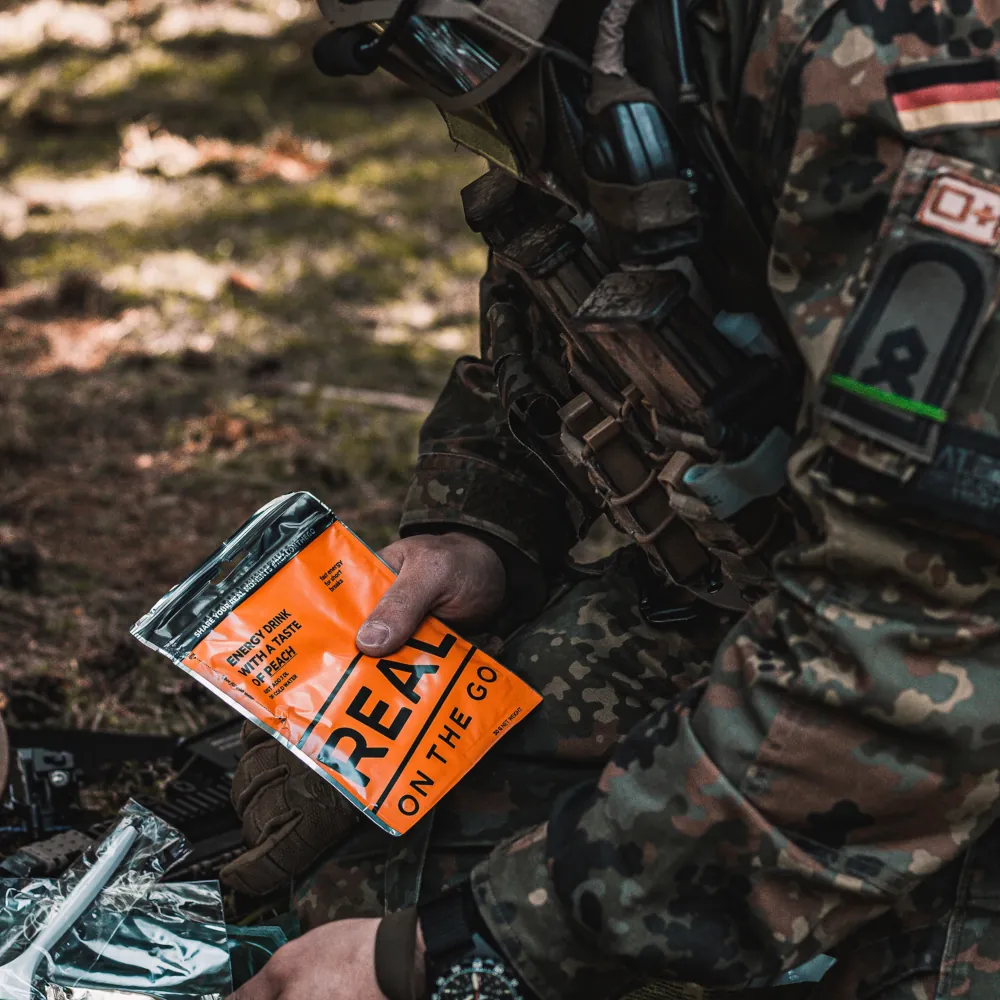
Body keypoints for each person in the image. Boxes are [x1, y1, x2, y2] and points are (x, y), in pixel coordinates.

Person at [224, 1, 1000, 998]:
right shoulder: (620, 50)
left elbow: (919, 636)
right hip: (831, 598)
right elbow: (565, 309)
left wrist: (466, 952)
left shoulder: (898, 74)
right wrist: (480, 524)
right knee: (376, 837)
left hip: (934, 650)